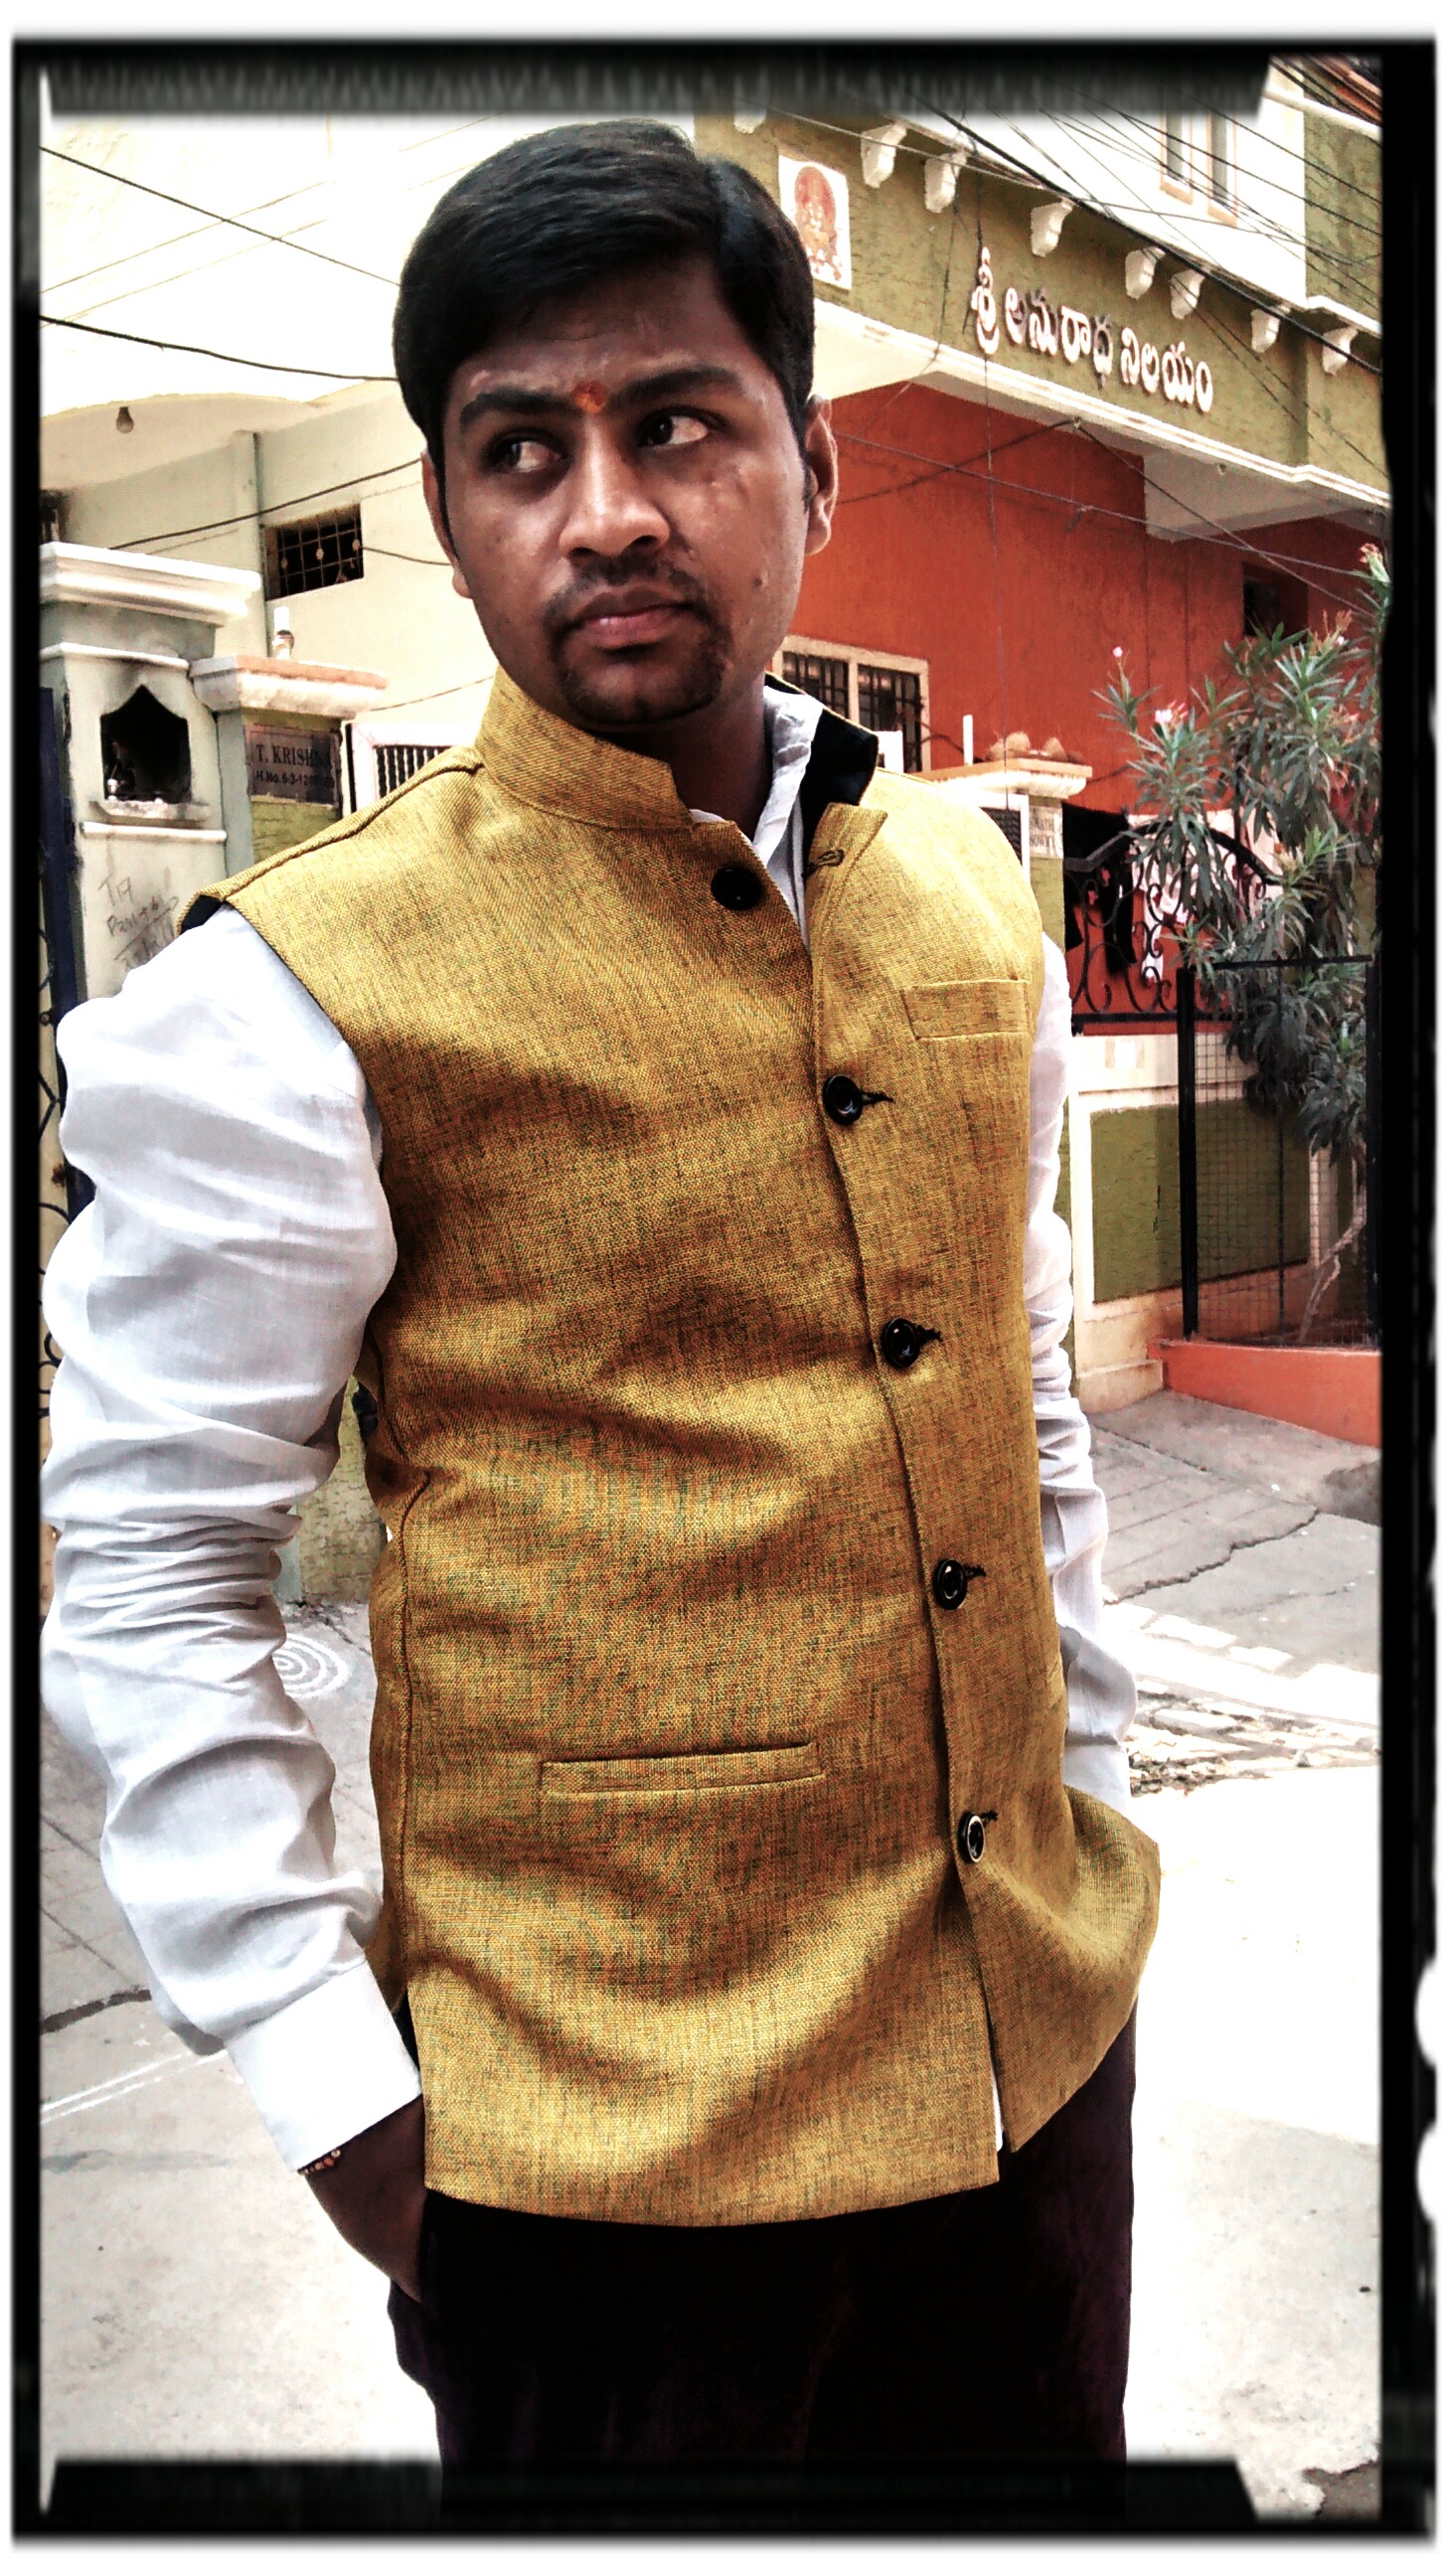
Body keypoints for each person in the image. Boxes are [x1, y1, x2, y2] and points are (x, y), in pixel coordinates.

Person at [41, 118, 1160, 2477]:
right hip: (593, 2185)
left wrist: (1087, 1785)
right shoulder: (302, 990)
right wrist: (336, 2091)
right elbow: (152, 1566)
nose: (608, 510)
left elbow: (1017, 1390)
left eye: (676, 423)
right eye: (520, 451)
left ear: (810, 465)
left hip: (1031, 2085)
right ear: (450, 519)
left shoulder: (971, 897)